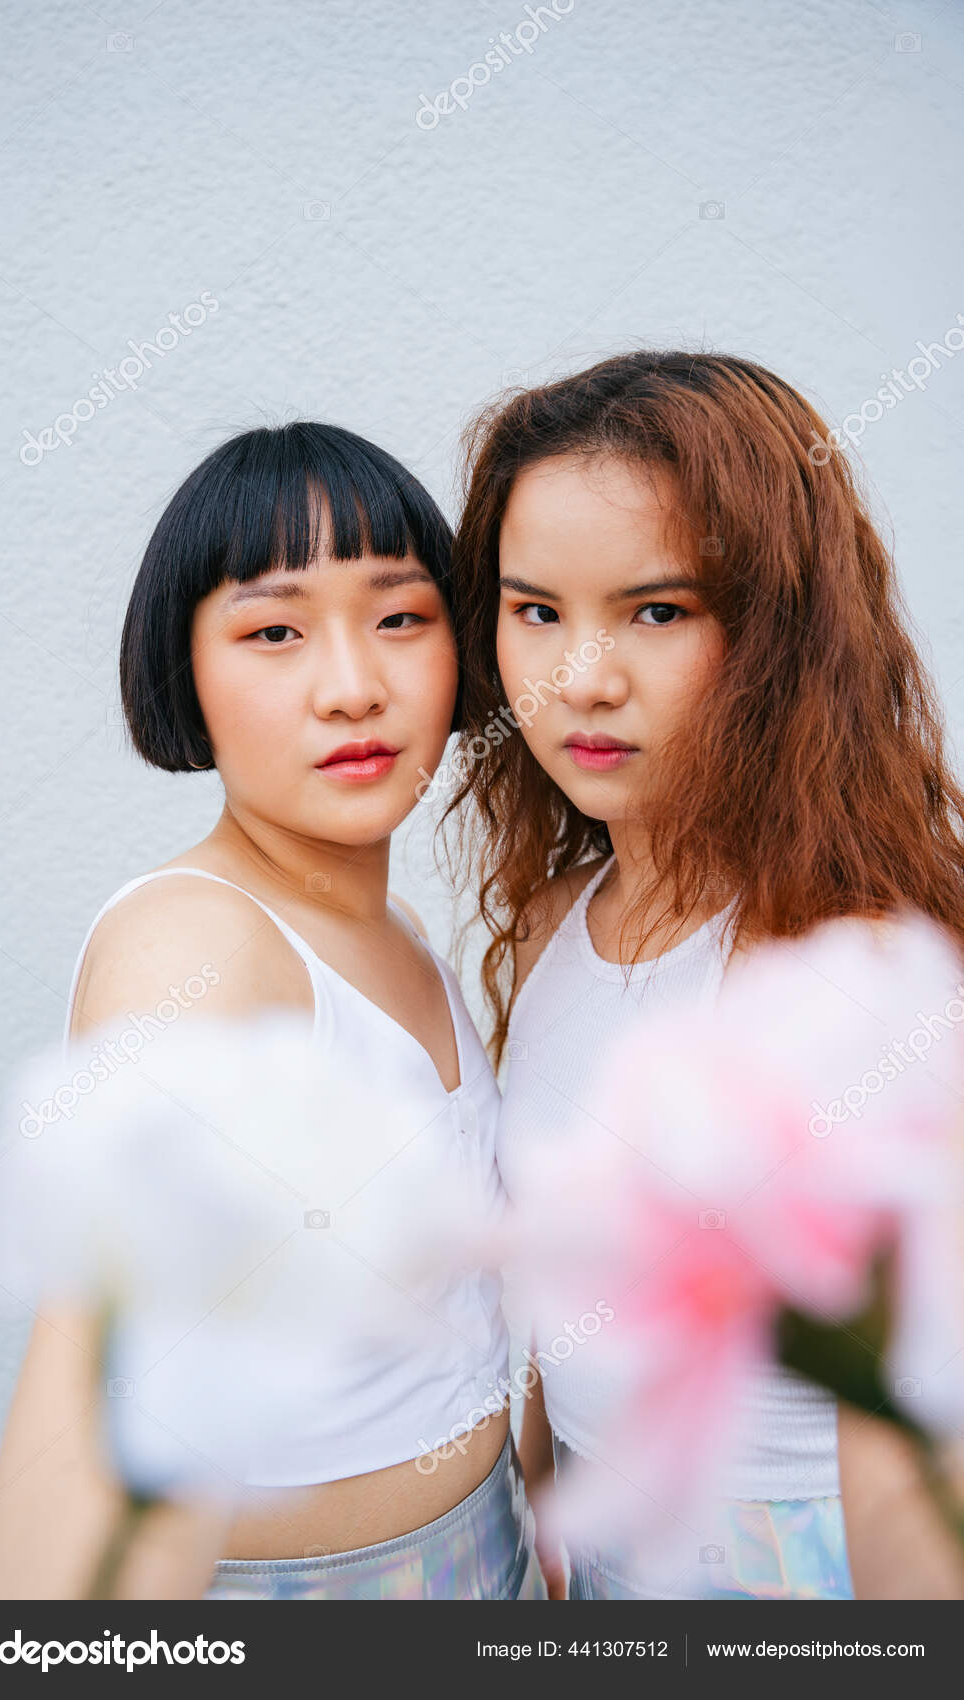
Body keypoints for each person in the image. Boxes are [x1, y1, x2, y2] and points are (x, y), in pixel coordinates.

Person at [0, 422, 545, 1601]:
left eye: (399, 616)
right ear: (185, 670)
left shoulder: (412, 948)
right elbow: (97, 1380)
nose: (352, 687)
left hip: (489, 1555)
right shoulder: (193, 944)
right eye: (273, 632)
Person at [441, 350, 964, 1599]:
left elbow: (909, 1432)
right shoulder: (551, 921)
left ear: (782, 631)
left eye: (657, 610)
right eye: (535, 610)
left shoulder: (853, 972)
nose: (582, 678)